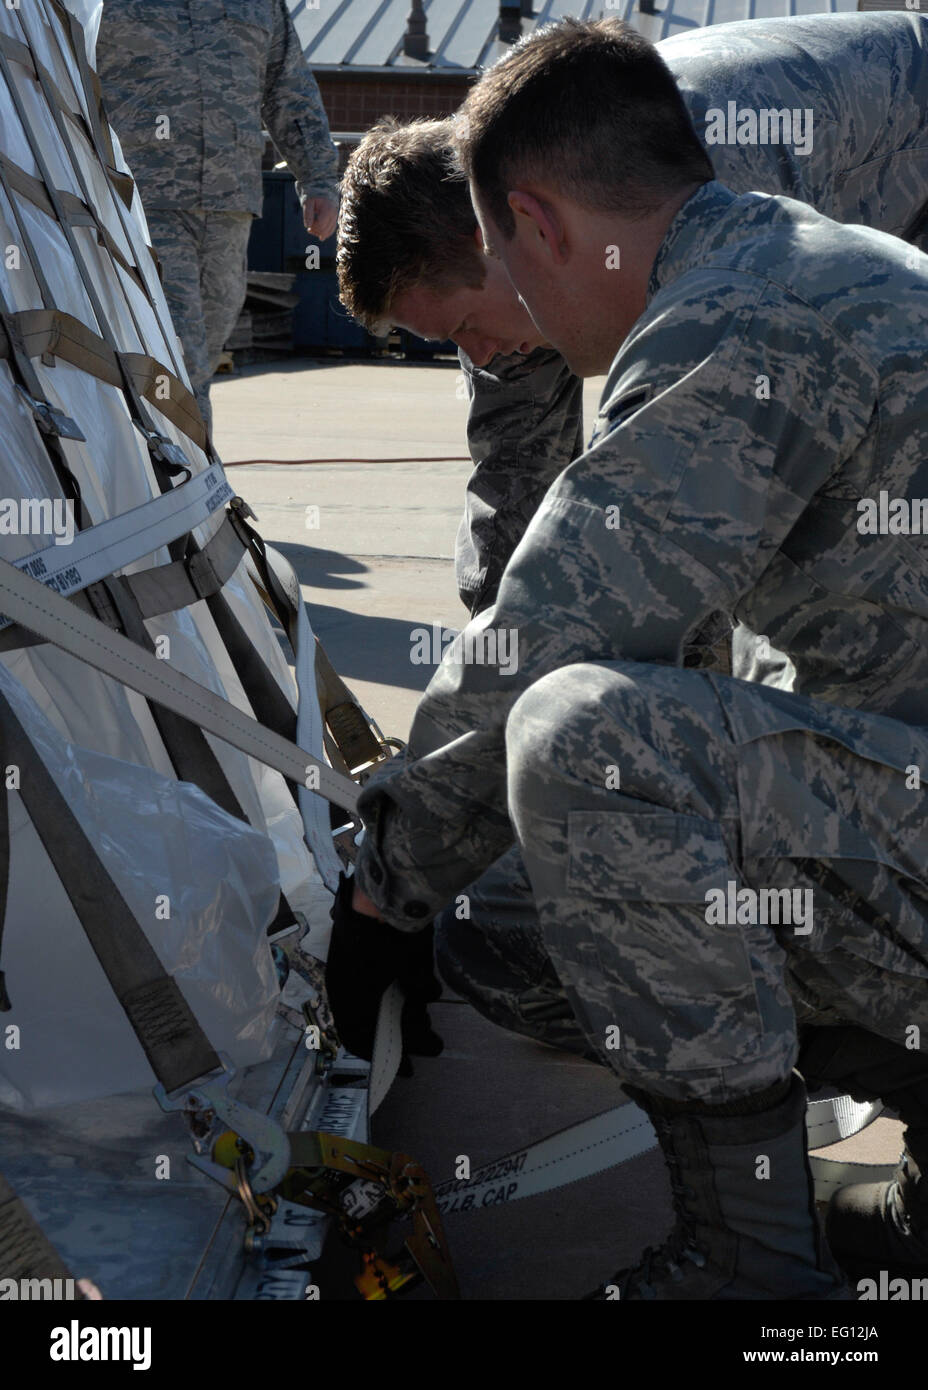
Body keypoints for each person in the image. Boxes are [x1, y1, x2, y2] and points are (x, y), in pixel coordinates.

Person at [326, 17, 928, 1299]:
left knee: (587, 754)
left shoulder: (735, 322)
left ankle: (747, 1267)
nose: (519, 327)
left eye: (501, 268)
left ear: (536, 225)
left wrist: (387, 887)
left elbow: (560, 625)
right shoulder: (815, 257)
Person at [96, 0, 339, 431]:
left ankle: (170, 466)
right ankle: (191, 472)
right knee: (177, 352)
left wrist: (318, 177)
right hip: (142, 200)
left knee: (203, 351)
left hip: (230, 204)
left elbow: (288, 89)